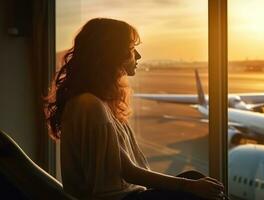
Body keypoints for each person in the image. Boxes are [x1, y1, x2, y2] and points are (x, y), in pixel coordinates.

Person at [45, 18, 225, 200]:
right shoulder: (89, 105)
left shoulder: (94, 102)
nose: (138, 56)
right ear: (112, 54)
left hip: (128, 195)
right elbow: (126, 171)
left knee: (194, 178)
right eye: (131, 49)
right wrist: (189, 187)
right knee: (197, 186)